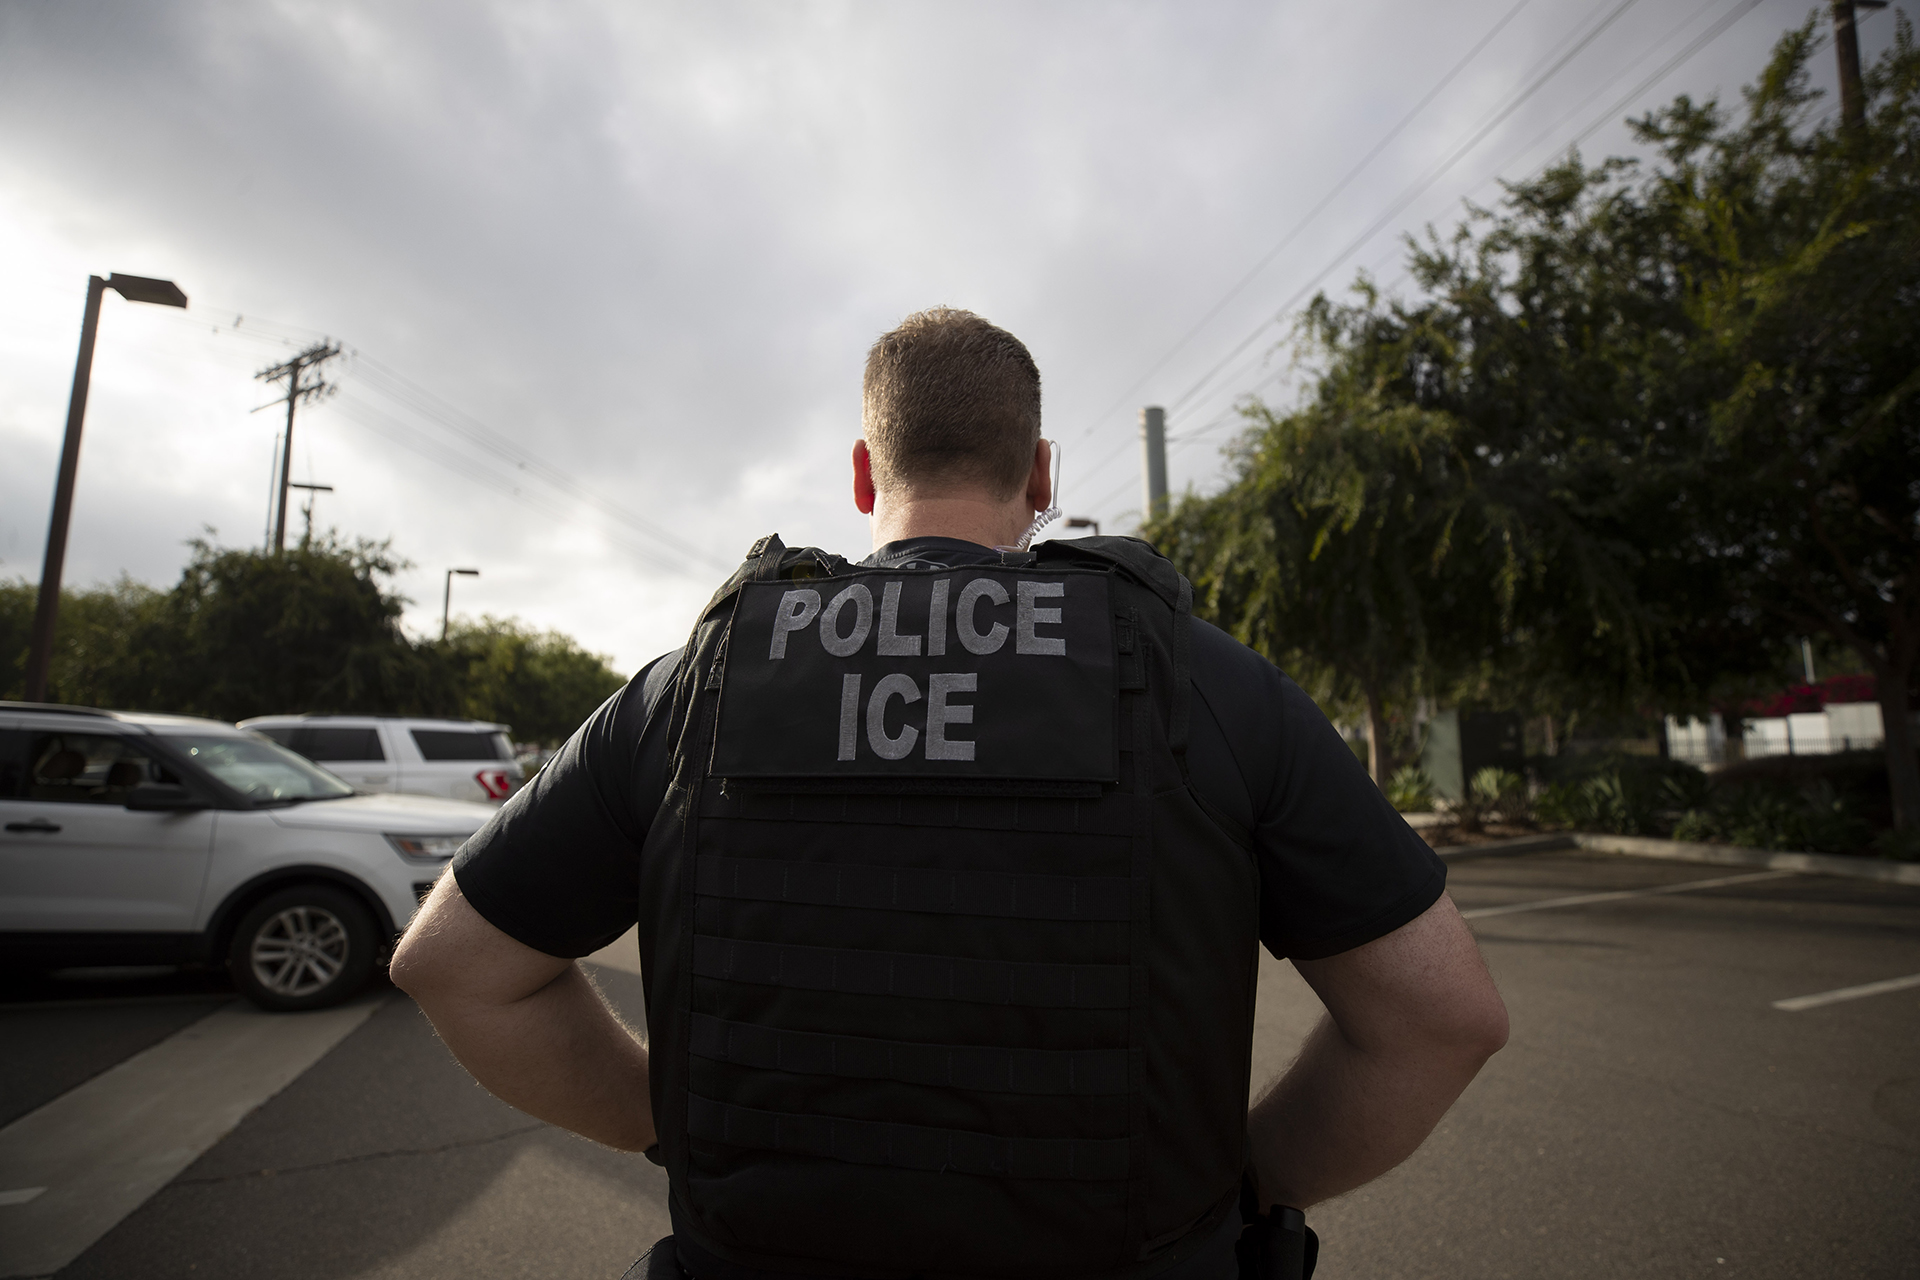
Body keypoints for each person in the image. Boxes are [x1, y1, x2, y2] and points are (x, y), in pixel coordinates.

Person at [392, 307, 1508, 1280]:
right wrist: (1249, 1178)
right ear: (1041, 476)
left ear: (865, 474)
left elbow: (453, 966)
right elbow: (1440, 1017)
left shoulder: (700, 685)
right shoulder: (1202, 678)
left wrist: (660, 1119)